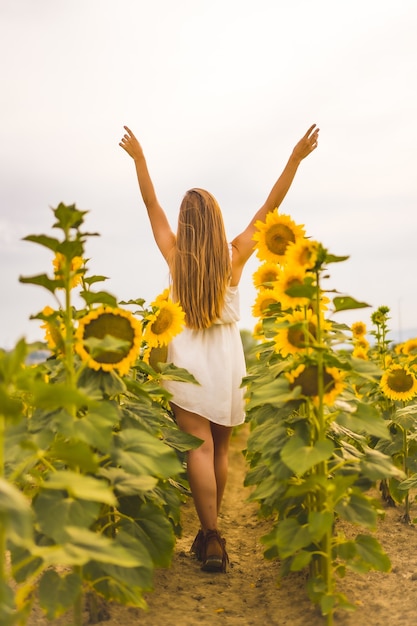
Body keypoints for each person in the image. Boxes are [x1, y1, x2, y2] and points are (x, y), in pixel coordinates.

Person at [119, 123, 319, 572]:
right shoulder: (234, 256)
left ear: (186, 224)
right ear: (217, 221)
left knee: (199, 449)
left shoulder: (174, 256)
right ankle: (212, 537)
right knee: (222, 451)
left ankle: (209, 535)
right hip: (228, 362)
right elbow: (271, 206)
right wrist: (294, 160)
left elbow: (150, 204)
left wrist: (140, 161)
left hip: (188, 362)